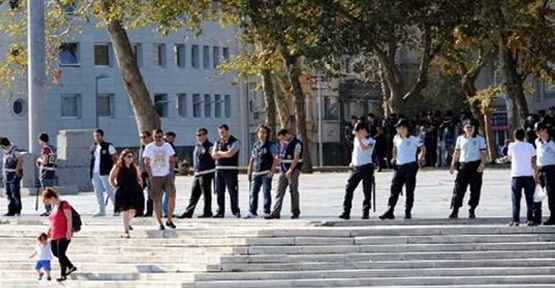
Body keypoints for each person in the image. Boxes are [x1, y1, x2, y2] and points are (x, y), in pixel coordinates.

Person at [379, 119, 426, 220]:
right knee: (394, 188)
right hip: (399, 166)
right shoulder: (396, 138)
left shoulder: (414, 139)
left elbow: (423, 149)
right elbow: (394, 148)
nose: (398, 130)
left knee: (409, 189)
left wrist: (420, 158)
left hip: (410, 166)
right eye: (397, 128)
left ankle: (408, 211)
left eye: (399, 128)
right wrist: (394, 157)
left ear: (405, 128)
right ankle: (390, 209)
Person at [448, 119, 488, 219]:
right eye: (468, 127)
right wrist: (453, 164)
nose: (470, 129)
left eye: (471, 127)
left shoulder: (479, 139)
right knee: (458, 189)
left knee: (475, 189)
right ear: (464, 128)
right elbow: (457, 153)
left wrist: (482, 164)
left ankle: (472, 209)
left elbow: (484, 153)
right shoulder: (460, 139)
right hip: (463, 166)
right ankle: (455, 210)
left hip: (475, 166)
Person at [339, 122, 376, 220]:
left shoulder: (371, 140)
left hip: (367, 167)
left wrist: (359, 138)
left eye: (358, 131)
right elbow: (355, 151)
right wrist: (352, 161)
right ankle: (346, 211)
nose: (357, 133)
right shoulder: (356, 139)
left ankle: (366, 212)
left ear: (363, 130)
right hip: (357, 167)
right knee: (349, 188)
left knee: (367, 190)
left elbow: (364, 148)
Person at [265, 129, 303, 219]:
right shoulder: (282, 143)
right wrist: (279, 157)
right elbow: (281, 154)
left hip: (294, 169)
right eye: (280, 139)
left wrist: (290, 170)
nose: (281, 140)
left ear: (287, 135)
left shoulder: (297, 143)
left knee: (293, 190)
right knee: (279, 191)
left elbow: (296, 158)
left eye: (282, 138)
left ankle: (295, 211)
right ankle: (276, 212)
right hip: (283, 169)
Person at [143, 129, 178, 230]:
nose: (158, 139)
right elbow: (146, 162)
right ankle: (159, 222)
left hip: (166, 175)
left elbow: (172, 159)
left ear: (163, 137)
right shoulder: (149, 147)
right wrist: (150, 175)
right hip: (155, 176)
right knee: (156, 200)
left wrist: (171, 171)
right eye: (156, 137)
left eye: (160, 136)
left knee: (172, 196)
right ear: (153, 137)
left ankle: (169, 219)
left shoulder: (167, 146)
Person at [178, 128, 215, 218]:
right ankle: (189, 212)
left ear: (205, 135)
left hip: (206, 173)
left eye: (201, 135)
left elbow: (214, 158)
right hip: (197, 173)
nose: (199, 137)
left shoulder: (210, 146)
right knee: (194, 194)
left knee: (206, 194)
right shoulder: (197, 146)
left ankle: (207, 212)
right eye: (197, 135)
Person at [42, 188, 77, 282]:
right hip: (54, 234)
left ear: (52, 197)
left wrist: (69, 231)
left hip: (64, 234)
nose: (48, 203)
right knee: (55, 253)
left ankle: (63, 274)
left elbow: (69, 219)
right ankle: (70, 266)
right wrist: (48, 232)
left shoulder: (64, 204)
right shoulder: (54, 207)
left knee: (61, 254)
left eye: (47, 200)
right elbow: (53, 221)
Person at [245, 125, 279, 219]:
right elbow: (252, 158)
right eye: (260, 132)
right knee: (253, 192)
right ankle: (252, 211)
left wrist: (272, 171)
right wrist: (249, 170)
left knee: (266, 192)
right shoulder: (256, 145)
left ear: (267, 134)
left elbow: (276, 158)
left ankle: (266, 211)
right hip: (256, 172)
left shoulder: (271, 145)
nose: (261, 134)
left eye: (264, 132)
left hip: (266, 172)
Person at [507, 128, 539, 226]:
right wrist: (536, 174)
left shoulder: (512, 146)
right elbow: (534, 161)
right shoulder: (530, 146)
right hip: (528, 175)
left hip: (516, 175)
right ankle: (530, 219)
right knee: (529, 199)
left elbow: (509, 157)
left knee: (516, 199)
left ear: (514, 136)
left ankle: (516, 219)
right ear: (524, 136)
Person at [109, 149, 144, 238]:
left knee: (133, 211)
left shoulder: (134, 167)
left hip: (133, 190)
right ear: (123, 157)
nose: (130, 159)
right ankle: (126, 231)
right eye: (128, 157)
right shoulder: (118, 166)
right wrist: (116, 186)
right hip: (123, 190)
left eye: (132, 157)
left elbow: (139, 177)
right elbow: (111, 178)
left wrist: (140, 186)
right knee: (125, 211)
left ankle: (127, 223)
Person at [212, 124, 242, 218]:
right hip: (219, 170)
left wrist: (220, 153)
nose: (221, 134)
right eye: (220, 132)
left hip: (231, 170)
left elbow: (231, 153)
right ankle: (220, 211)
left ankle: (235, 210)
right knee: (219, 191)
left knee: (232, 191)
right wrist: (222, 154)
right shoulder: (217, 142)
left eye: (223, 132)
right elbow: (213, 155)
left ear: (227, 131)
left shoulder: (235, 141)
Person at [89, 129, 118, 217]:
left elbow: (115, 159)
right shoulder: (93, 147)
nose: (96, 138)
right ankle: (101, 210)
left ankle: (117, 208)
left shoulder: (108, 146)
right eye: (95, 136)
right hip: (95, 172)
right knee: (98, 192)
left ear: (102, 136)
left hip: (105, 172)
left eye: (98, 136)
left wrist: (114, 171)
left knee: (109, 191)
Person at [535, 121, 555, 225]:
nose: (537, 133)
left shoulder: (552, 142)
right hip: (540, 169)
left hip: (551, 169)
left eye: (539, 131)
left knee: (551, 194)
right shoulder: (537, 142)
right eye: (536, 131)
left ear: (545, 130)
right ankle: (536, 217)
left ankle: (553, 216)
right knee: (536, 193)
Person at [1, 137, 25, 216]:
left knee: (15, 192)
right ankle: (11, 210)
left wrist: (17, 169)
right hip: (7, 175)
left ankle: (17, 210)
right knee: (8, 193)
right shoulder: (6, 151)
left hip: (14, 174)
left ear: (3, 144)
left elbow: (21, 159)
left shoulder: (14, 150)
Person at [36, 133, 57, 216]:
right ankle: (53, 209)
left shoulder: (45, 149)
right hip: (51, 171)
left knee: (46, 192)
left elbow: (44, 161)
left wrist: (39, 159)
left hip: (45, 172)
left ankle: (48, 210)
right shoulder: (53, 148)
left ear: (41, 140)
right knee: (51, 191)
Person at [162, 131, 178, 218]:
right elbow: (174, 158)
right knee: (169, 192)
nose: (173, 140)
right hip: (168, 171)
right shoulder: (168, 146)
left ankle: (163, 210)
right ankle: (166, 211)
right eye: (172, 137)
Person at [138, 131, 153, 217]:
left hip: (150, 173)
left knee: (150, 194)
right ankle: (139, 210)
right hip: (142, 173)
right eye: (141, 137)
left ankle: (149, 211)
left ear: (149, 137)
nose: (143, 139)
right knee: (138, 192)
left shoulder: (152, 148)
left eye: (144, 137)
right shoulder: (141, 148)